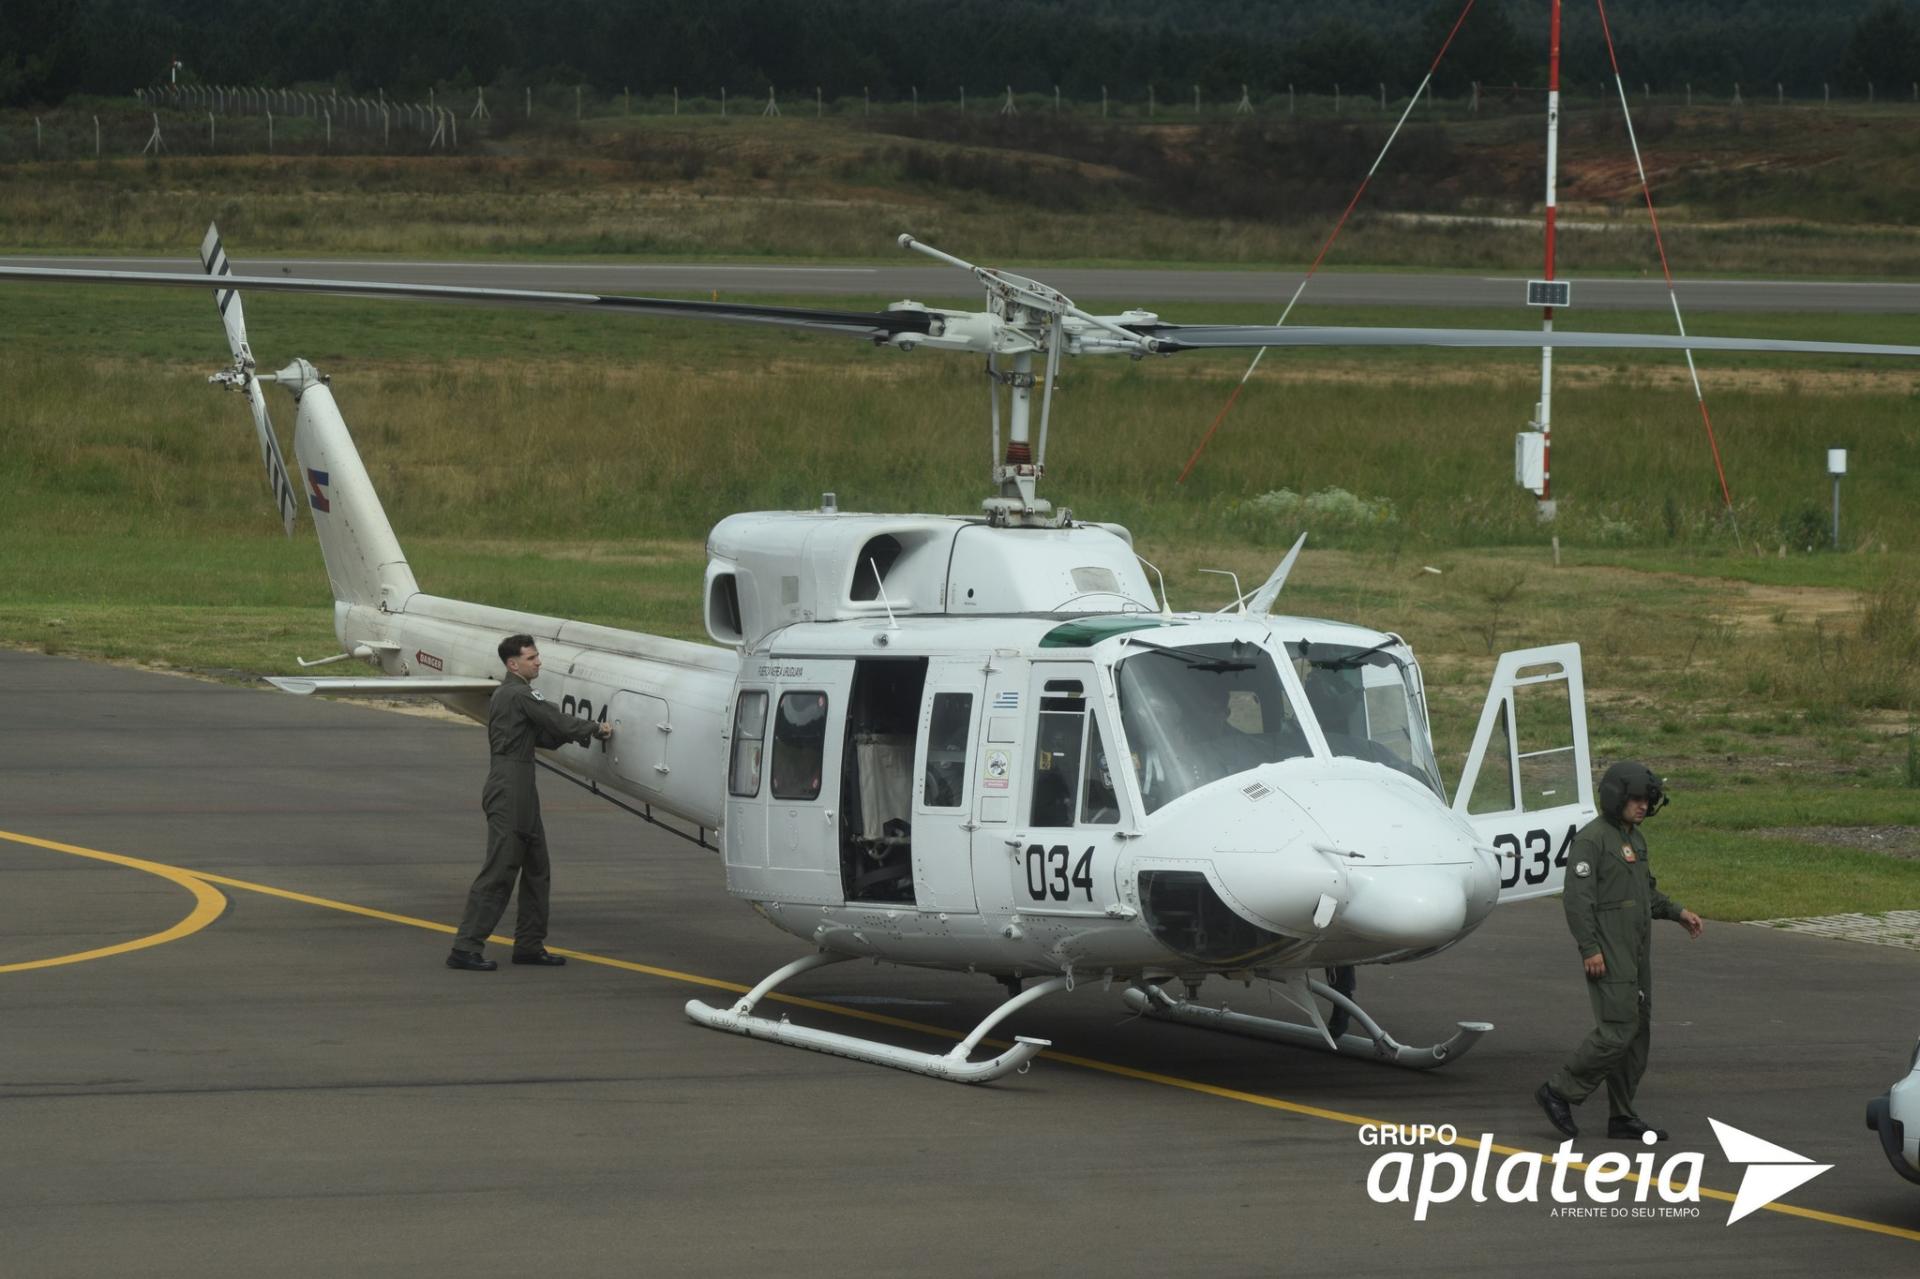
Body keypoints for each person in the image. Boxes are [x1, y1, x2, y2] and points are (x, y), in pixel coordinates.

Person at [1535, 761, 1704, 1141]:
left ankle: (1622, 1115)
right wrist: (1590, 948)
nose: (1643, 806)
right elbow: (1577, 901)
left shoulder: (1635, 840)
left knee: (1637, 1032)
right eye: (1636, 800)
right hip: (1609, 953)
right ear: (1617, 799)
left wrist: (1678, 912)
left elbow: (1644, 894)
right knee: (1617, 1030)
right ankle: (1558, 1091)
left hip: (1636, 953)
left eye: (1647, 800)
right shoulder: (1592, 841)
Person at [447, 634, 612, 971]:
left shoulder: (510, 696)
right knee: (501, 869)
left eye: (537, 656)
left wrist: (572, 733)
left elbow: (547, 736)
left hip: (521, 783)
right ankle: (465, 947)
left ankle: (529, 945)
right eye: (532, 657)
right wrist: (596, 728)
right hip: (510, 786)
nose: (538, 662)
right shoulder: (519, 693)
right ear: (513, 664)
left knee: (538, 868)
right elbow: (557, 721)